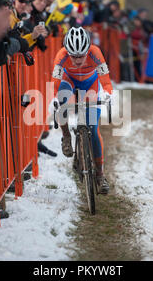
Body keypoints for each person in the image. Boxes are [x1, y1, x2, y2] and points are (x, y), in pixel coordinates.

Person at [51, 27, 113, 194]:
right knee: (62, 98)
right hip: (68, 81)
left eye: (81, 56)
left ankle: (100, 175)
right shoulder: (61, 55)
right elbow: (55, 83)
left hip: (91, 85)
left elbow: (105, 81)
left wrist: (107, 94)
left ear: (88, 50)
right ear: (67, 52)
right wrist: (55, 100)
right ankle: (66, 136)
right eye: (74, 56)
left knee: (92, 128)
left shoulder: (95, 53)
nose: (77, 60)